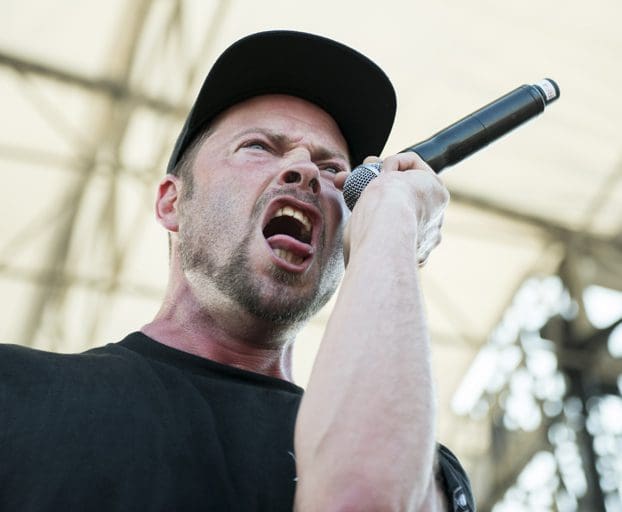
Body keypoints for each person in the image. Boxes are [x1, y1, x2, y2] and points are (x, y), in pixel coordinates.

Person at [0, 30, 475, 511]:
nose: (306, 171)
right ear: (172, 202)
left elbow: (364, 498)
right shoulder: (15, 390)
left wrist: (392, 219)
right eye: (259, 146)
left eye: (334, 170)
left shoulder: (415, 465)